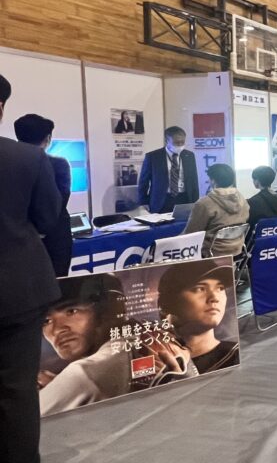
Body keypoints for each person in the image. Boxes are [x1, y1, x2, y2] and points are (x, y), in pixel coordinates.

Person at [0, 74, 62, 462]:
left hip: (17, 293)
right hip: (17, 291)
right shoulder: (28, 158)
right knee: (17, 389)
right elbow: (46, 219)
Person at [39, 275, 195, 416]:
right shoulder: (155, 336)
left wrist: (58, 390)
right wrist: (60, 388)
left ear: (109, 309)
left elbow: (27, 419)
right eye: (46, 321)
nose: (57, 329)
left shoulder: (84, 374)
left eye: (71, 311)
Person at [14, 113, 72, 276]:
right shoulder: (59, 164)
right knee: (57, 284)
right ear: (48, 139)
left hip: (19, 236)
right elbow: (60, 201)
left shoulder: (9, 164)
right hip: (55, 238)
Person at [157, 261, 239, 374]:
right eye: (199, 289)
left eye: (220, 288)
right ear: (167, 303)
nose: (215, 298)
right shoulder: (154, 356)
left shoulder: (233, 354)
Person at [184, 164, 250, 257]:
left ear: (213, 181)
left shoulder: (204, 203)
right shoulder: (243, 200)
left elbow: (191, 234)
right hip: (237, 249)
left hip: (212, 252)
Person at [138, 126, 200, 213]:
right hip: (161, 200)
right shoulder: (153, 157)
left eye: (182, 142)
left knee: (183, 221)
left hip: (184, 198)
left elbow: (194, 180)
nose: (180, 145)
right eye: (176, 142)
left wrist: (196, 201)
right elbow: (143, 181)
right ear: (166, 141)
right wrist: (143, 201)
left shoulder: (189, 155)